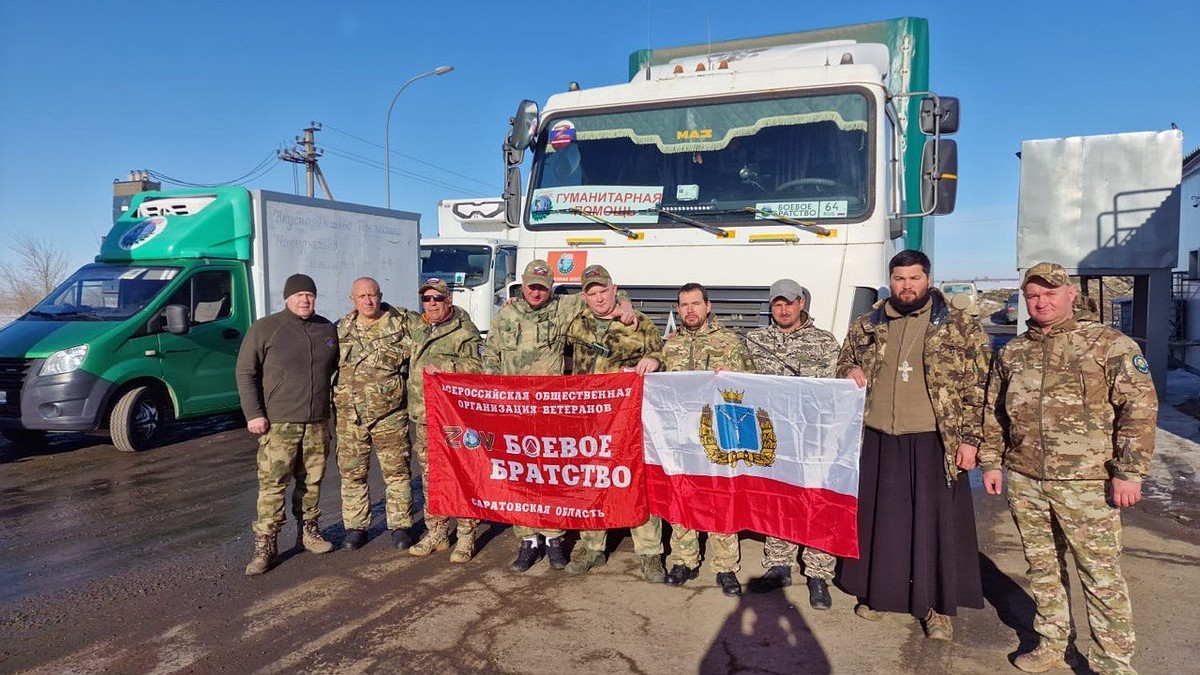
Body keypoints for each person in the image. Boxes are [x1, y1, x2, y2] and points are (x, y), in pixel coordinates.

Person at [980, 262, 1157, 675]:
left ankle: (1113, 662)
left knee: (1100, 575)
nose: (1041, 302)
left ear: (1070, 295)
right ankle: (1053, 642)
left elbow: (1139, 409)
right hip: (1027, 479)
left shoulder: (1108, 344)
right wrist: (991, 461)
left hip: (1088, 482)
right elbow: (994, 412)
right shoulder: (1013, 351)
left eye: (1050, 294)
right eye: (1033, 295)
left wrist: (1130, 471)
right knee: (1042, 568)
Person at [835, 249, 986, 640]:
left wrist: (970, 440)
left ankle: (936, 607)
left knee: (934, 526)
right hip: (879, 436)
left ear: (928, 279)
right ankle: (879, 594)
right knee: (882, 524)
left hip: (933, 438)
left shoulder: (958, 325)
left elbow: (979, 388)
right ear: (891, 280)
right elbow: (842, 363)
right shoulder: (867, 323)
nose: (907, 286)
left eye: (914, 278)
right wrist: (848, 369)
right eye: (899, 279)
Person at [481, 260, 636, 573]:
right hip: (515, 411)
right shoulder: (506, 314)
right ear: (522, 284)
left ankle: (554, 538)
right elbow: (490, 356)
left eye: (542, 286)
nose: (536, 292)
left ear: (551, 286)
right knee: (520, 476)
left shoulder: (563, 307)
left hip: (550, 412)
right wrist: (494, 399)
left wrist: (626, 305)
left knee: (551, 476)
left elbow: (602, 294)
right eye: (531, 286)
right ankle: (528, 540)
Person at [562, 264, 666, 583]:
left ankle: (650, 553)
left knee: (637, 482)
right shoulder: (574, 323)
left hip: (629, 421)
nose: (598, 299)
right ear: (584, 297)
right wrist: (513, 302)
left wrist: (655, 360)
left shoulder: (637, 322)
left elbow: (662, 354)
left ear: (613, 289)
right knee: (592, 482)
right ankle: (592, 547)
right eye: (591, 293)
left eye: (602, 291)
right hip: (589, 420)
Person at [743, 278, 840, 610]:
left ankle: (817, 573)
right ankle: (779, 564)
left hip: (813, 437)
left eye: (789, 302)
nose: (783, 309)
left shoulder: (824, 342)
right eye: (776, 304)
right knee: (778, 499)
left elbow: (835, 391)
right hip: (772, 436)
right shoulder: (754, 341)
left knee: (815, 500)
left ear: (801, 303)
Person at [236, 273, 339, 575]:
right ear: (287, 298)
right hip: (279, 424)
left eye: (309, 294)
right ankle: (265, 545)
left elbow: (338, 370)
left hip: (317, 422)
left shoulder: (326, 329)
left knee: (311, 482)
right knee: (272, 486)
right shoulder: (266, 328)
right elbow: (246, 373)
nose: (304, 300)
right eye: (298, 295)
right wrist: (254, 414)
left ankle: (309, 532)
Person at [661, 282, 753, 597]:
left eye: (695, 304)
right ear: (677, 309)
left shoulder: (731, 342)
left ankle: (725, 567)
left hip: (719, 435)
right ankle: (683, 559)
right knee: (682, 496)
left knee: (721, 500)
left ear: (708, 306)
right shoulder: (670, 345)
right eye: (684, 305)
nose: (690, 310)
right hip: (681, 435)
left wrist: (735, 374)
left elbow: (752, 387)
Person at [333, 277, 420, 552]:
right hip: (350, 417)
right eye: (361, 296)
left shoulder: (403, 324)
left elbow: (436, 338)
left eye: (372, 295)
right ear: (352, 299)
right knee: (352, 475)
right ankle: (356, 527)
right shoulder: (340, 329)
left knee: (397, 474)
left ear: (380, 295)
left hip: (390, 415)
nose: (368, 301)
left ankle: (400, 526)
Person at [406, 278, 485, 563]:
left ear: (448, 300)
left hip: (455, 419)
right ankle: (437, 531)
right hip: (425, 416)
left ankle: (466, 535)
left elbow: (480, 366)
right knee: (431, 478)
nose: (431, 303)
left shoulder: (464, 330)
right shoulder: (419, 327)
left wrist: (447, 366)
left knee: (461, 474)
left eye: (437, 299)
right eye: (426, 298)